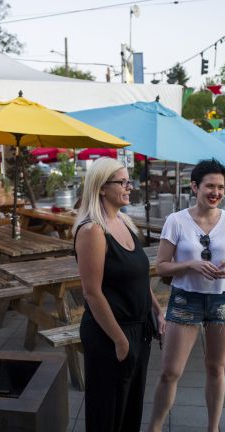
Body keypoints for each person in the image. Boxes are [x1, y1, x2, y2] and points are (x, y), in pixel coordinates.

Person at [148, 159, 225, 432]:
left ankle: (213, 428)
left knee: (216, 368)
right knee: (170, 372)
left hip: (223, 301)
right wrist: (190, 264)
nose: (216, 192)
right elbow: (161, 266)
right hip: (185, 299)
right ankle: (153, 428)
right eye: (210, 186)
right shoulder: (176, 221)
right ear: (195, 187)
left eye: (220, 187)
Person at [73, 157, 165, 432]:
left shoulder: (124, 222)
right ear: (101, 187)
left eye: (129, 181)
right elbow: (92, 293)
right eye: (122, 182)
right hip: (110, 335)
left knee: (130, 411)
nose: (129, 187)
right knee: (107, 414)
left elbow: (138, 275)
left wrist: (157, 311)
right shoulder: (93, 231)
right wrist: (121, 340)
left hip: (140, 330)